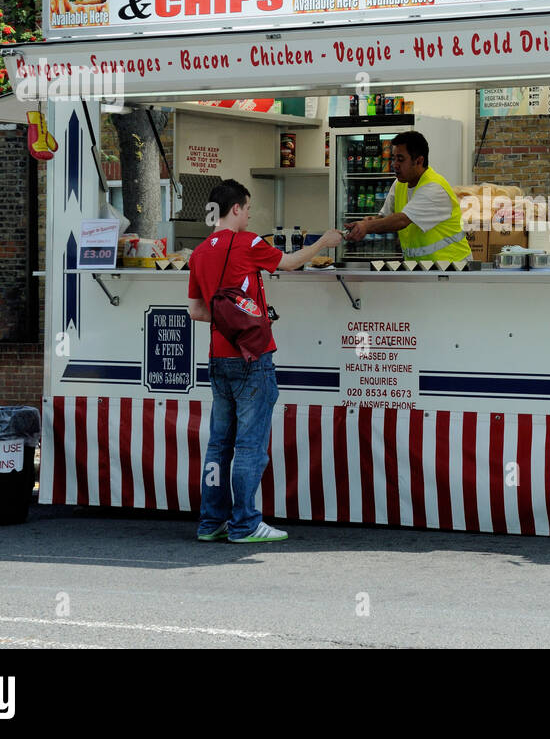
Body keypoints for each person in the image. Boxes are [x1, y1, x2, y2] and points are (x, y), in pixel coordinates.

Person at [186, 179, 342, 542]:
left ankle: (211, 523)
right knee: (249, 446)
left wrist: (229, 319)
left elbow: (195, 311)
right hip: (252, 358)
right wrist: (322, 243)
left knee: (218, 445)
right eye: (248, 207)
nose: (251, 213)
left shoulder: (199, 252)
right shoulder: (249, 242)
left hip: (218, 358)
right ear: (236, 208)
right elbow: (288, 263)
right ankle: (245, 524)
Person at [345, 130, 471, 263]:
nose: (395, 164)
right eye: (393, 158)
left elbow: (401, 220)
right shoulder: (400, 184)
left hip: (453, 268)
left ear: (419, 161)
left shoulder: (434, 188)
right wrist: (369, 222)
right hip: (421, 267)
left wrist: (367, 227)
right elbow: (385, 218)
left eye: (401, 159)